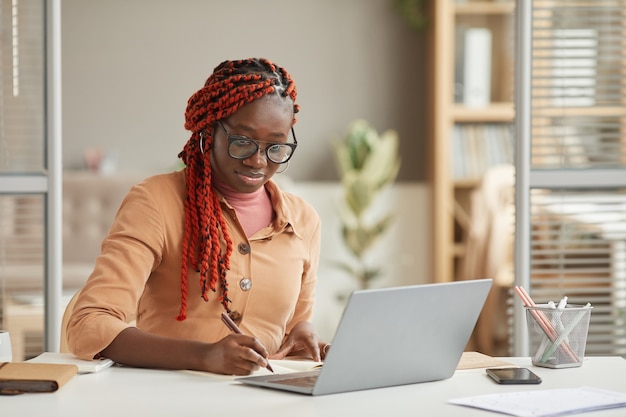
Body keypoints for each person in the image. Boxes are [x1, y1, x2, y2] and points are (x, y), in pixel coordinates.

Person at [66, 58, 328, 375]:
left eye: (276, 146)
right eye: (242, 142)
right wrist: (204, 357)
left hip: (263, 400)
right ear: (210, 130)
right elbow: (89, 324)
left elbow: (295, 326)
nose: (258, 161)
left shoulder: (303, 220)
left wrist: (301, 336)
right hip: (168, 396)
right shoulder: (155, 202)